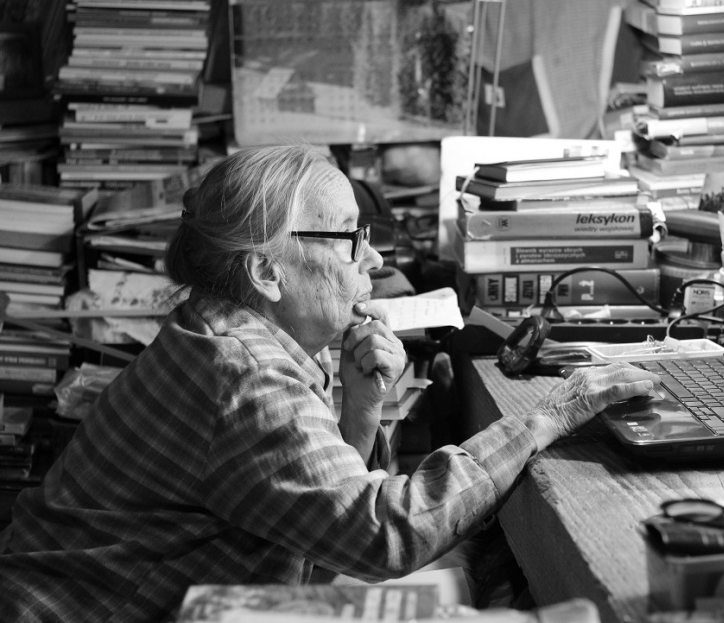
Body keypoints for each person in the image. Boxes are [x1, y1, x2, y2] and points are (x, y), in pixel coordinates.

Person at [0, 144, 660, 623]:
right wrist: (551, 413)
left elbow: (314, 529)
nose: (372, 257)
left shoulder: (230, 336)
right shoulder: (245, 375)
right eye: (348, 236)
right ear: (266, 272)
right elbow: (386, 535)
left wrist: (363, 409)